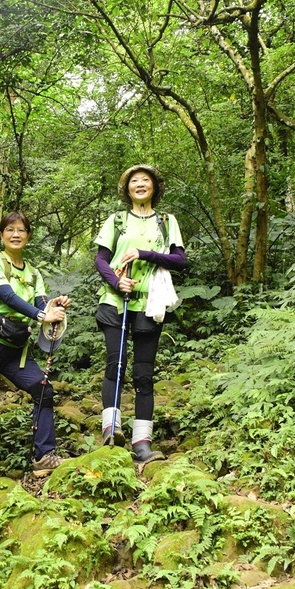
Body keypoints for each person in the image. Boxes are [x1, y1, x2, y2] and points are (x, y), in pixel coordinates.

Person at [0, 212, 71, 482]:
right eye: (10, 230)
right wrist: (42, 316)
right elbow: (5, 296)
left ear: (28, 235)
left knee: (43, 389)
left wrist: (54, 307)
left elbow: (42, 302)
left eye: (21, 230)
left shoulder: (33, 272)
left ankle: (44, 455)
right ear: (2, 234)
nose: (16, 234)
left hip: (16, 348)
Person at [94, 165, 186, 466]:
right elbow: (101, 259)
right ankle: (111, 431)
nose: (140, 184)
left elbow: (179, 260)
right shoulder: (116, 220)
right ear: (127, 188)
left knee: (144, 374)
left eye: (146, 180)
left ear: (154, 187)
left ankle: (142, 442)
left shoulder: (166, 221)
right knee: (115, 365)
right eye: (135, 181)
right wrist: (116, 281)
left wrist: (144, 254)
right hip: (115, 302)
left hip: (150, 304)